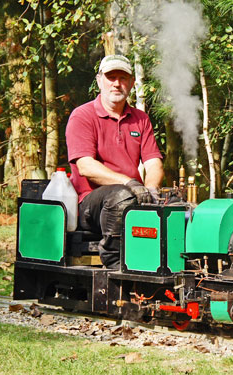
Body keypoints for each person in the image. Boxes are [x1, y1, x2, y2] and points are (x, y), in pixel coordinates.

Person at [65, 54, 164, 269]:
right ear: (99, 80)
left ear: (131, 83)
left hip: (133, 196)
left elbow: (153, 162)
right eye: (111, 77)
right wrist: (130, 183)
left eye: (123, 78)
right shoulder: (82, 116)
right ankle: (115, 264)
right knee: (121, 195)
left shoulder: (141, 118)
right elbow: (86, 166)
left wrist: (152, 191)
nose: (117, 84)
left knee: (176, 207)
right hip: (91, 204)